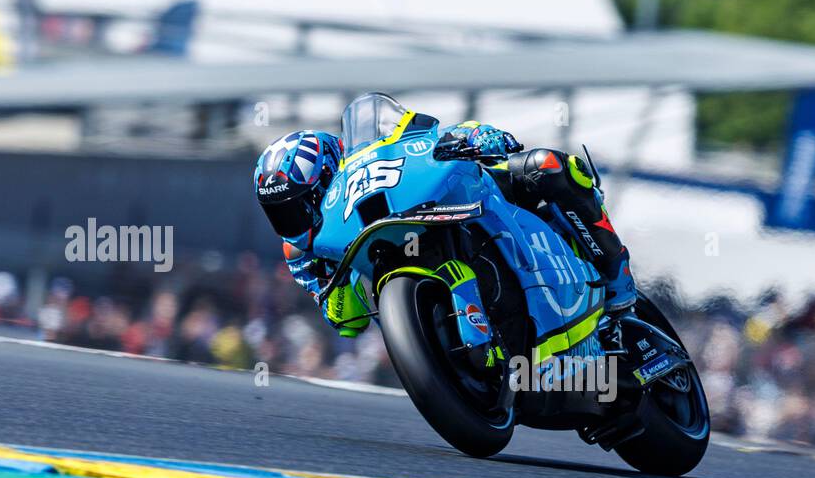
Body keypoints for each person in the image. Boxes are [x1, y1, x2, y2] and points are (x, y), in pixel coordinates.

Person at [252, 93, 636, 340]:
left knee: (548, 166)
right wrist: (333, 286)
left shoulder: (376, 158)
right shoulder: (302, 253)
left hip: (460, 200)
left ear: (327, 173)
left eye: (298, 204)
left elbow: (431, 138)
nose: (293, 220)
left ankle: (617, 277)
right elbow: (347, 325)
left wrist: (475, 138)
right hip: (397, 279)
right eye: (281, 212)